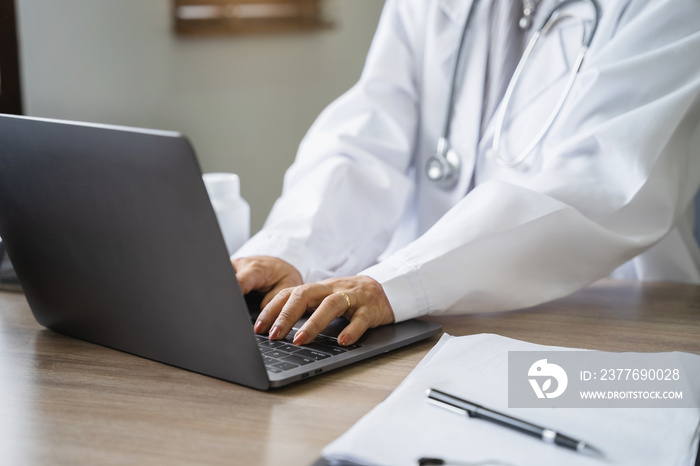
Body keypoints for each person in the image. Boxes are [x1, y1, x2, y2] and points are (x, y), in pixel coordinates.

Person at [232, 0, 700, 348]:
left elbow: (600, 178)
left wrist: (395, 282)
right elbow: (368, 133)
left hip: (611, 323)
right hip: (430, 323)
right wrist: (294, 248)